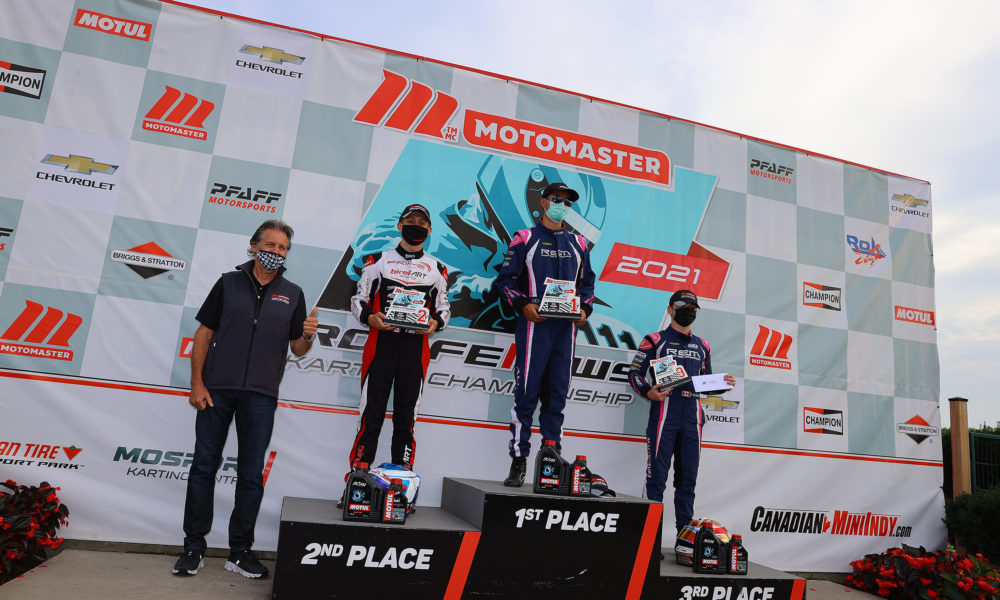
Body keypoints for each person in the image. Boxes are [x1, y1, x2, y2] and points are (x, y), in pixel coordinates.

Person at [172, 220, 318, 579]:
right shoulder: (228, 283)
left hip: (261, 395)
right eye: (270, 245)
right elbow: (204, 334)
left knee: (251, 475)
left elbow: (298, 348)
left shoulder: (293, 293)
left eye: (282, 248)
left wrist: (307, 335)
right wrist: (196, 383)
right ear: (254, 246)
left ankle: (239, 552)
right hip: (216, 390)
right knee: (203, 467)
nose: (275, 252)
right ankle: (193, 548)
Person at [495, 182, 596, 487]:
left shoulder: (579, 244)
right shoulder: (525, 238)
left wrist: (585, 310)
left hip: (565, 331)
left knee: (557, 398)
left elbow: (587, 285)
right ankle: (519, 460)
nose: (561, 205)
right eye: (556, 199)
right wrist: (523, 304)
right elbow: (505, 280)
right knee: (526, 395)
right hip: (534, 327)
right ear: (542, 202)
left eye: (567, 202)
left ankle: (551, 462)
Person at [347, 203, 450, 476]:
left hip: (415, 349)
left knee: (406, 417)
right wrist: (370, 318)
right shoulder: (377, 260)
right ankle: (359, 473)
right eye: (411, 221)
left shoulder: (437, 269)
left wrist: (435, 323)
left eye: (421, 222)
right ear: (400, 225)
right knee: (371, 412)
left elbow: (444, 309)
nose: (416, 226)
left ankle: (402, 477)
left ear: (429, 230)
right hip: (381, 345)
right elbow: (358, 300)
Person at [628, 289, 736, 533]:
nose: (688, 311)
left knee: (687, 481)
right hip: (665, 414)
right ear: (670, 309)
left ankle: (684, 539)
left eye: (692, 308)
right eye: (683, 307)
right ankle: (648, 537)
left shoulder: (703, 345)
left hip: (693, 417)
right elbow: (634, 373)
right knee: (656, 479)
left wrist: (722, 384)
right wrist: (648, 392)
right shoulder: (655, 339)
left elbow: (704, 382)